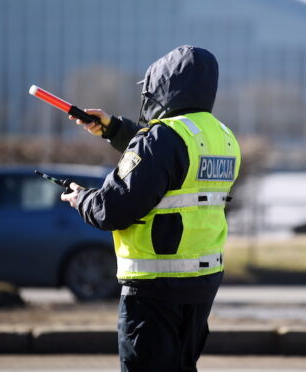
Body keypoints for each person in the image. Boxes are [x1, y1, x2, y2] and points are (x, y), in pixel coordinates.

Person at [60, 45, 241, 372]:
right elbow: (171, 163)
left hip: (155, 289)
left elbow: (112, 208)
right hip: (202, 283)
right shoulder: (222, 137)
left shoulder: (162, 138)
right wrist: (114, 128)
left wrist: (80, 199)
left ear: (161, 87)